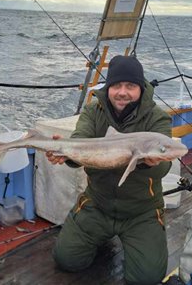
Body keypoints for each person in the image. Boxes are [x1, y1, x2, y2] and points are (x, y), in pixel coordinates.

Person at [46, 55, 172, 284]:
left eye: (130, 86)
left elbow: (165, 165)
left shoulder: (157, 118)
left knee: (147, 279)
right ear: (109, 87)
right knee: (66, 260)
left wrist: (153, 164)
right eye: (116, 86)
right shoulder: (94, 112)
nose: (123, 92)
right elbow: (80, 141)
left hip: (141, 211)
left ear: (141, 88)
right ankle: (99, 235)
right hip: (98, 203)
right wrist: (66, 154)